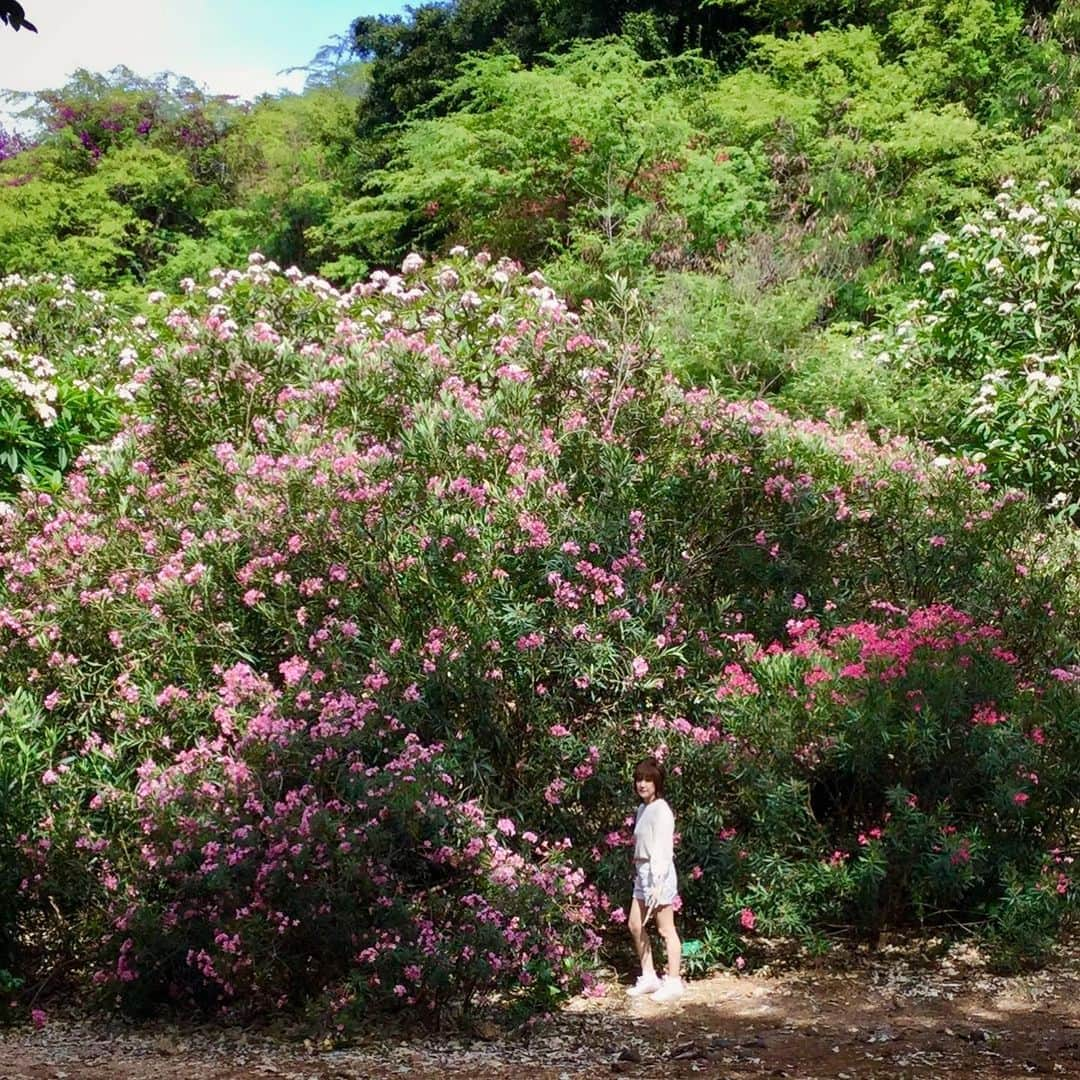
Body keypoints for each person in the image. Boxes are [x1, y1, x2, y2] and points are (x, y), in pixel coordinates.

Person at [626, 756, 684, 1002]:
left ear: (657, 782)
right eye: (639, 779)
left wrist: (658, 882)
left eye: (648, 780)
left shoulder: (661, 809)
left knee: (665, 929)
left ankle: (673, 981)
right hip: (642, 874)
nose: (643, 784)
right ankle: (649, 976)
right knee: (634, 924)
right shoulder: (643, 809)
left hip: (658, 873)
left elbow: (662, 847)